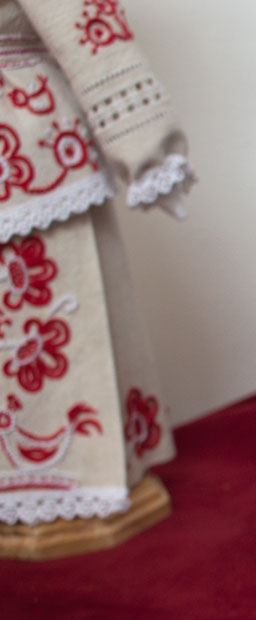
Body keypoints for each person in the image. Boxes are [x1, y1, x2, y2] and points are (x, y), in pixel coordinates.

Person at [0, 0, 193, 528]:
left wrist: (146, 146)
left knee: (52, 314)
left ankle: (69, 474)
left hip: (27, 146)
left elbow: (81, 22)